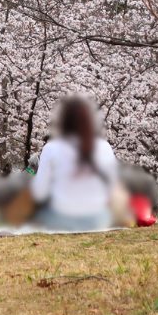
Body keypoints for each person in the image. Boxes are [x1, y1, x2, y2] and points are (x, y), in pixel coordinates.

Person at [31, 98, 119, 232]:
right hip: (98, 220)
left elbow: (39, 192)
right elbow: (113, 188)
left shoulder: (51, 147)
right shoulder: (105, 146)